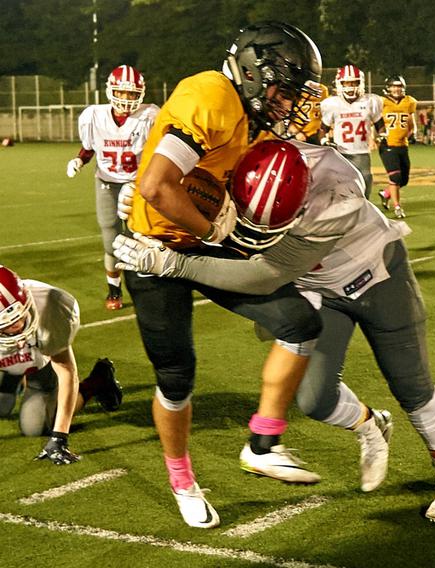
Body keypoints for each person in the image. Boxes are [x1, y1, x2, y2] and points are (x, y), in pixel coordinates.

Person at [114, 139, 435, 522]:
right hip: (317, 289)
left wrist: (178, 266)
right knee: (315, 400)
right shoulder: (247, 161)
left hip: (375, 277)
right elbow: (187, 179)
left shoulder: (337, 192)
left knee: (410, 383)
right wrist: (152, 197)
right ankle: (371, 425)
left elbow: (265, 274)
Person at [122, 21, 326, 529]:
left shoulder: (249, 116)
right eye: (285, 89)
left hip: (205, 240)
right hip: (156, 252)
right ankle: (183, 479)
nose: (287, 103)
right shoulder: (211, 95)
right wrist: (215, 230)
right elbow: (157, 185)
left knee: (298, 321)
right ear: (257, 73)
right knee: (176, 376)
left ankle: (263, 442)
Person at [0, 266, 123, 464]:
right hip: (10, 355)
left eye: (19, 317)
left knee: (35, 426)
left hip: (40, 350)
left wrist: (59, 437)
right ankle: (12, 379)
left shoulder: (52, 306)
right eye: (7, 326)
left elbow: (66, 371)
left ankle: (98, 381)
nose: (17, 327)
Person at [65, 65, 159, 310]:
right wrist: (79, 160)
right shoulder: (94, 116)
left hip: (138, 185)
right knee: (111, 240)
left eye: (131, 94)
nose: (127, 99)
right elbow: (89, 148)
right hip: (107, 183)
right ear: (110, 91)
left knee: (145, 236)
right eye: (122, 93)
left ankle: (149, 286)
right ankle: (114, 289)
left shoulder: (149, 116)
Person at [321, 65, 384, 200]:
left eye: (354, 82)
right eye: (346, 83)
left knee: (365, 181)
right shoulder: (332, 104)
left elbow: (379, 123)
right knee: (339, 184)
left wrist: (382, 136)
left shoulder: (370, 101)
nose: (350, 86)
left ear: (360, 83)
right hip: (341, 152)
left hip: (361, 151)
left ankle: (363, 208)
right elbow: (323, 128)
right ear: (340, 84)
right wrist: (324, 140)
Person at [376, 75, 417, 219]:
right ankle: (397, 207)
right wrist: (374, 137)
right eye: (394, 86)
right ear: (388, 88)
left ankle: (386, 193)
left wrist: (413, 132)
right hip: (387, 144)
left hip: (402, 144)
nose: (396, 89)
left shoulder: (409, 101)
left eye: (399, 86)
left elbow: (411, 121)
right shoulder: (382, 102)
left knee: (404, 179)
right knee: (395, 176)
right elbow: (374, 120)